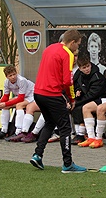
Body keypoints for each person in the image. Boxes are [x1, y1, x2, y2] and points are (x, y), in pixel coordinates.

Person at [30, 29, 86, 173]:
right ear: (72, 42)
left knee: (49, 122)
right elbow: (67, 80)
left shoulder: (49, 48)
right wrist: (71, 98)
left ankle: (37, 154)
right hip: (51, 94)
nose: (77, 48)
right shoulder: (67, 53)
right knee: (65, 127)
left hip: (38, 93)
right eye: (78, 45)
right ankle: (67, 164)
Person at [68, 52, 106, 148]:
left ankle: (83, 134)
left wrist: (76, 102)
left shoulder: (97, 77)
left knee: (81, 107)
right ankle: (83, 135)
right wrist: (77, 91)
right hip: (89, 98)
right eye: (84, 68)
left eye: (88, 66)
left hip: (103, 98)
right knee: (76, 107)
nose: (87, 69)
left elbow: (92, 94)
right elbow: (74, 85)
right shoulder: (79, 74)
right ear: (79, 68)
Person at [0, 65, 35, 140]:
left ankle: (18, 131)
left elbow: (21, 98)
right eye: (10, 75)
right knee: (5, 107)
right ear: (7, 77)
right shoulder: (6, 82)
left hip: (32, 95)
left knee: (19, 105)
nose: (13, 77)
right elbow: (6, 96)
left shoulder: (21, 80)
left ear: (16, 73)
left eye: (14, 74)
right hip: (21, 96)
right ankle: (4, 131)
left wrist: (5, 103)